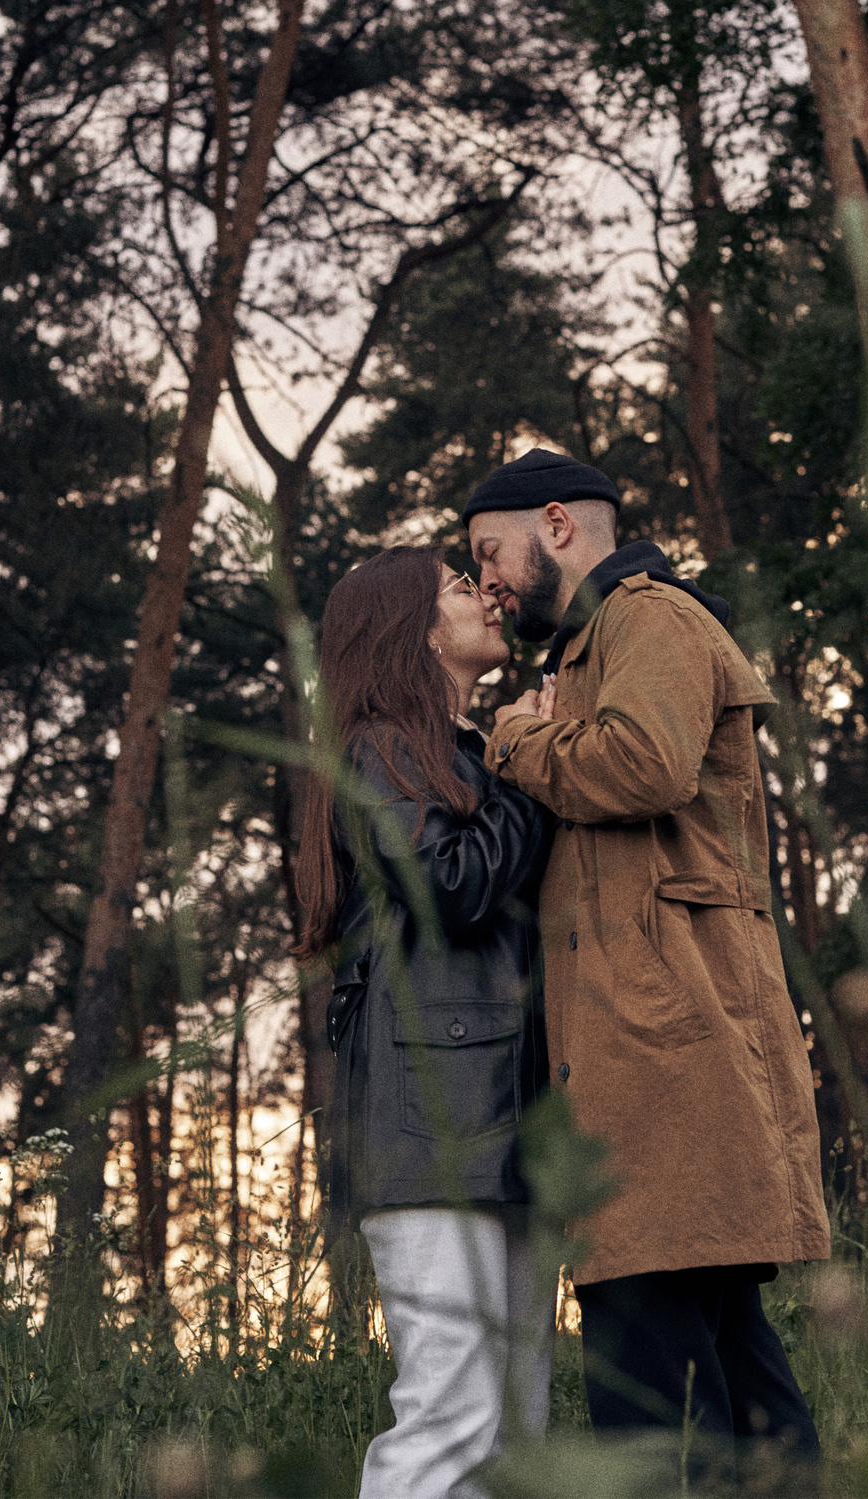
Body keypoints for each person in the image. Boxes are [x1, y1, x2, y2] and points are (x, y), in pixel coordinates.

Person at [464, 447, 828, 1467]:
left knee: (652, 1409)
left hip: (670, 1069)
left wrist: (511, 741)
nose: (487, 581)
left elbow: (644, 766)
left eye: (490, 552)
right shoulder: (589, 648)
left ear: (558, 525)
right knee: (733, 1387)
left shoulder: (650, 617)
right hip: (640, 1076)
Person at [296, 546, 556, 1498]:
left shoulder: (463, 749)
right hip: (430, 1130)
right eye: (458, 585)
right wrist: (528, 769)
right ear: (414, 632)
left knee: (515, 1430)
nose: (485, 594)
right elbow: (448, 882)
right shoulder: (378, 746)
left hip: (507, 1125)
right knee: (452, 1416)